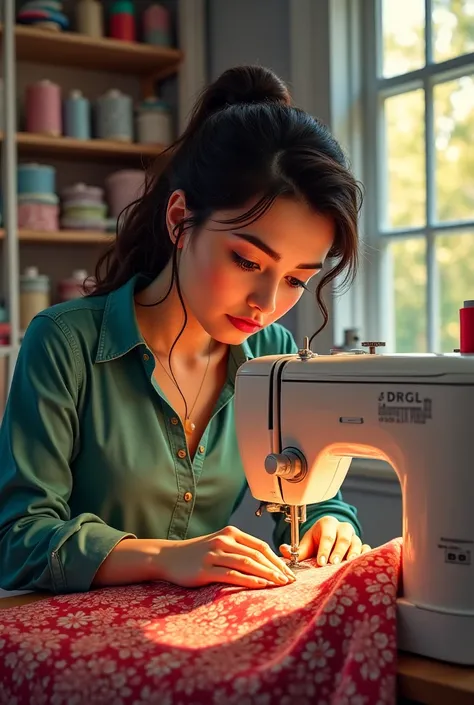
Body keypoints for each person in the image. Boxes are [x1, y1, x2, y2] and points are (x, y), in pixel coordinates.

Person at [0, 65, 370, 595]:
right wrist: (167, 558)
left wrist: (328, 525)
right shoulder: (65, 343)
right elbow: (17, 538)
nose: (268, 305)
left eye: (294, 279)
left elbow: (306, 495)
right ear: (179, 219)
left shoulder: (272, 354)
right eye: (245, 261)